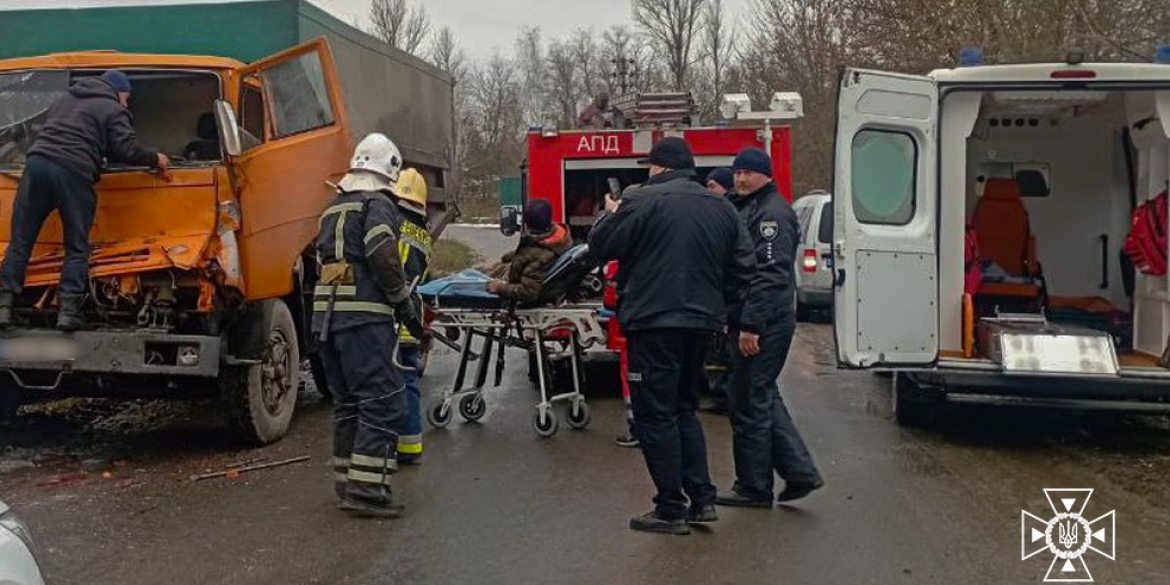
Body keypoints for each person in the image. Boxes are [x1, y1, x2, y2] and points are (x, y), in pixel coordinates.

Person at [589, 137, 756, 535]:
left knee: (654, 414)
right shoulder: (723, 208)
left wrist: (612, 213)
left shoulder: (642, 201)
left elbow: (600, 246)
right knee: (684, 408)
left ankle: (670, 507)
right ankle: (702, 499)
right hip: (701, 325)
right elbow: (744, 267)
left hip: (653, 322)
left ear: (659, 167)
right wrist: (725, 309)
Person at [0, 69, 169, 330]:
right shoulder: (112, 108)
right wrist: (155, 158)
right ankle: (68, 313)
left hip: (36, 166)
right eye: (127, 97)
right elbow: (125, 149)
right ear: (120, 92)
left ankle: (4, 308)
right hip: (72, 171)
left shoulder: (63, 100)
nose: (127, 102)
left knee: (21, 241)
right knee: (77, 245)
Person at [311, 132, 425, 518]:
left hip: (325, 322)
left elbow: (320, 263)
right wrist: (404, 304)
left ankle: (347, 483)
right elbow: (383, 254)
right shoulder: (377, 204)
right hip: (364, 320)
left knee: (348, 404)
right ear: (389, 171)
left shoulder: (332, 207)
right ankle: (366, 490)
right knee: (383, 401)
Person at [716, 147, 824, 510]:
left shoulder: (771, 215)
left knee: (749, 401)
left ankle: (754, 487)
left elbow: (769, 276)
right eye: (737, 173)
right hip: (756, 318)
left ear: (765, 175)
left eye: (748, 173)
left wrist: (751, 324)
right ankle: (800, 473)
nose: (741, 179)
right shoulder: (749, 206)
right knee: (760, 395)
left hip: (764, 321)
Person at [391, 167, 434, 465]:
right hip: (412, 320)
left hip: (395, 316)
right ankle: (410, 446)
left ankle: (389, 447)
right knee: (409, 381)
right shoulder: (423, 232)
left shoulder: (393, 223)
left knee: (387, 384)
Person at [700, 167, 736, 415]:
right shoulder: (727, 211)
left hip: (727, 299)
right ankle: (723, 397)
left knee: (725, 354)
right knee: (719, 354)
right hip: (720, 297)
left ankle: (726, 399)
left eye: (712, 186)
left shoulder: (730, 213)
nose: (708, 191)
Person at [486, 199, 571, 302]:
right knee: (487, 269)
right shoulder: (555, 239)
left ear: (526, 223)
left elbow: (529, 292)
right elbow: (529, 253)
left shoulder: (540, 256)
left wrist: (499, 287)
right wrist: (507, 258)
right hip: (515, 275)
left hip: (514, 289)